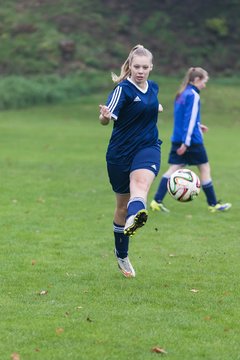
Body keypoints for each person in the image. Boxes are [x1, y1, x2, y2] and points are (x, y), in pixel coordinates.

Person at [99, 45, 163, 278]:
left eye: (145, 67)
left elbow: (151, 103)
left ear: (151, 68)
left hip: (148, 147)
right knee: (121, 207)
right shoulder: (123, 90)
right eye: (137, 66)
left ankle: (138, 216)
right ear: (130, 66)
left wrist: (157, 107)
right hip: (120, 153)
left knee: (141, 185)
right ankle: (122, 255)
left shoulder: (153, 87)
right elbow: (106, 120)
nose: (140, 71)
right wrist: (104, 116)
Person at [150, 67, 232, 213]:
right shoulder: (193, 95)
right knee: (205, 168)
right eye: (204, 82)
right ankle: (213, 205)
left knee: (174, 168)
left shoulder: (181, 94)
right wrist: (186, 143)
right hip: (191, 141)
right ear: (196, 80)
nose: (204, 85)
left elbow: (184, 118)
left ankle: (156, 201)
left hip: (178, 137)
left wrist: (198, 126)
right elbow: (189, 119)